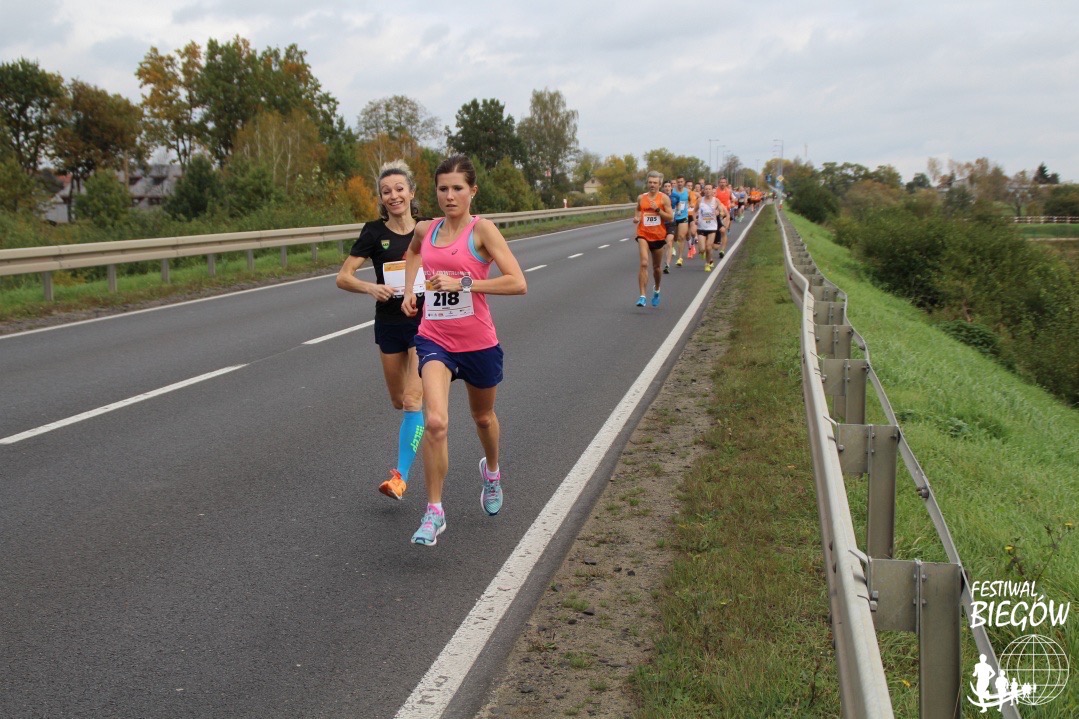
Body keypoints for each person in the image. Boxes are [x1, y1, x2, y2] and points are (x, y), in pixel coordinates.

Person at [401, 154, 527, 546]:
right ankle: (434, 511)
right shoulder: (426, 229)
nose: (450, 196)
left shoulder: (482, 230)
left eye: (458, 188)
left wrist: (464, 284)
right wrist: (410, 290)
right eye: (443, 189)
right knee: (436, 422)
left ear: (473, 191)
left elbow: (517, 282)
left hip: (478, 343)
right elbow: (413, 253)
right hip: (435, 338)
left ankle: (492, 472)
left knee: (483, 417)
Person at [336, 160, 427, 501]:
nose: (394, 196)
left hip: (424, 322)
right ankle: (420, 420)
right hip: (389, 324)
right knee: (399, 400)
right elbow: (343, 277)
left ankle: (400, 477)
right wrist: (370, 288)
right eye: (386, 191)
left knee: (412, 400)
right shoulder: (374, 232)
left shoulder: (427, 229)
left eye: (400, 189)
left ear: (411, 192)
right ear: (381, 198)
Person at [633, 171, 674, 307]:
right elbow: (638, 209)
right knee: (644, 263)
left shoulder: (664, 199)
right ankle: (642, 296)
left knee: (656, 268)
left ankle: (656, 289)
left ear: (659, 184)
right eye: (650, 182)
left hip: (658, 236)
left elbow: (670, 217)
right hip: (643, 234)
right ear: (647, 183)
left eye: (655, 183)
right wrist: (637, 217)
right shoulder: (641, 197)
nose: (652, 185)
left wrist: (658, 210)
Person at [694, 183, 726, 271]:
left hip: (712, 227)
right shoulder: (700, 200)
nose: (708, 191)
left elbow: (722, 211)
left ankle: (707, 264)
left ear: (712, 191)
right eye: (706, 189)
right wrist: (695, 219)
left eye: (709, 189)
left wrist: (719, 213)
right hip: (701, 227)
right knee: (702, 249)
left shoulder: (716, 200)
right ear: (704, 191)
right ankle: (702, 252)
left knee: (709, 247)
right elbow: (694, 211)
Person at [669, 176, 690, 267]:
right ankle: (673, 247)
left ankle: (680, 257)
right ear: (676, 182)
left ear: (684, 182)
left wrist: (691, 204)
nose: (680, 183)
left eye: (681, 181)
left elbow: (692, 200)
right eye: (678, 182)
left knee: (681, 237)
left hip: (683, 216)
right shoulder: (672, 191)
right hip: (673, 217)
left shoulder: (687, 191)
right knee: (675, 237)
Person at [714, 177, 734, 258]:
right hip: (717, 214)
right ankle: (715, 244)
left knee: (723, 232)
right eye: (721, 182)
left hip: (726, 214)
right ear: (719, 183)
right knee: (715, 231)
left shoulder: (729, 191)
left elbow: (734, 200)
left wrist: (731, 204)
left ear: (726, 183)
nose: (722, 184)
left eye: (724, 182)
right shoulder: (716, 191)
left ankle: (722, 250)